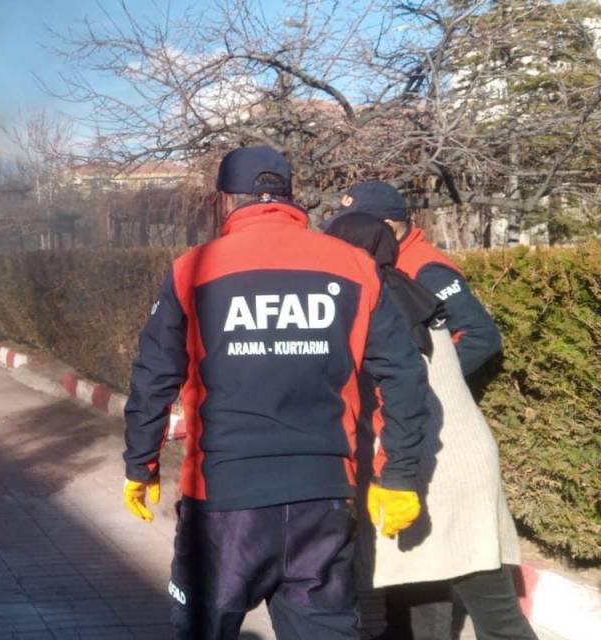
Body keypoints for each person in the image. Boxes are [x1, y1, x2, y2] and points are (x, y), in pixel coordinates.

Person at [122, 146, 433, 640]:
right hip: (323, 501)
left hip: (224, 506)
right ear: (290, 197)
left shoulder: (193, 268)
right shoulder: (354, 266)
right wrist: (399, 477)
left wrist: (141, 465)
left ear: (225, 202)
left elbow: (154, 377)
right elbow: (404, 374)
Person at [327, 211, 535, 640]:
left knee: (494, 617)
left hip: (434, 468)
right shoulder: (408, 293)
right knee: (419, 606)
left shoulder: (375, 305)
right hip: (440, 462)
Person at [326, 181, 502, 376]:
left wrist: (421, 381)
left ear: (388, 227)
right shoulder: (373, 260)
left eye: (354, 226)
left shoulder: (427, 269)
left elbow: (480, 336)